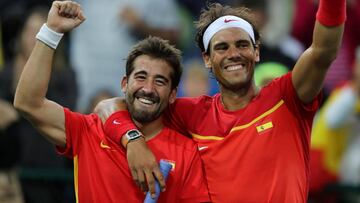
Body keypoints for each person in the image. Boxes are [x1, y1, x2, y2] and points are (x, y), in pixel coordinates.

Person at [96, 0, 346, 201]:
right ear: (207, 59)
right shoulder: (191, 112)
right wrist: (133, 139)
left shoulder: (287, 97)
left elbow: (323, 50)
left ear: (256, 51)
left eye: (242, 44)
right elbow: (109, 105)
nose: (233, 54)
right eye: (222, 47)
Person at [13, 1, 209, 202]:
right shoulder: (89, 131)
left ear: (173, 94)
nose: (148, 88)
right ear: (124, 84)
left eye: (160, 81)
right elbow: (28, 103)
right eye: (141, 77)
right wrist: (51, 32)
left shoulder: (187, 153)